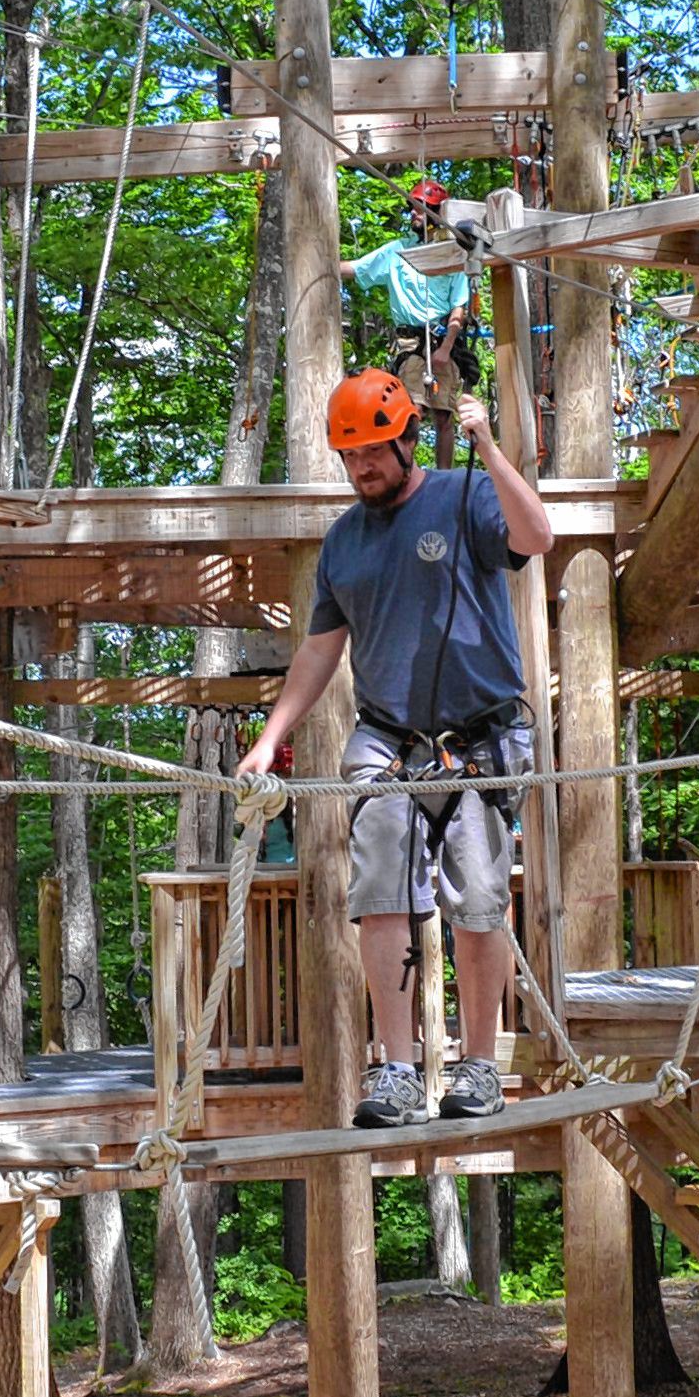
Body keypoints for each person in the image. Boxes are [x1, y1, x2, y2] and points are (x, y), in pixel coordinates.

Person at [236, 367, 553, 1127]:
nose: (361, 469)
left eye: (373, 451)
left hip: (480, 734)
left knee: (478, 899)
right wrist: (269, 740)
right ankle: (399, 1071)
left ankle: (478, 1066)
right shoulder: (344, 541)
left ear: (409, 437)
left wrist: (489, 444)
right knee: (380, 897)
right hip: (387, 738)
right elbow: (318, 651)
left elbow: (536, 537)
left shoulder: (464, 491)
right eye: (349, 458)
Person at [340, 178, 482, 434]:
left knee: (443, 415)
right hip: (410, 342)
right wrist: (317, 263)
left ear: (437, 213)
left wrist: (446, 349)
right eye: (413, 207)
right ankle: (409, 469)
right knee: (412, 409)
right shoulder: (397, 251)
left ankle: (444, 473)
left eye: (421, 208)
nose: (414, 213)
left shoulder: (452, 252)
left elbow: (458, 308)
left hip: (443, 341)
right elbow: (356, 267)